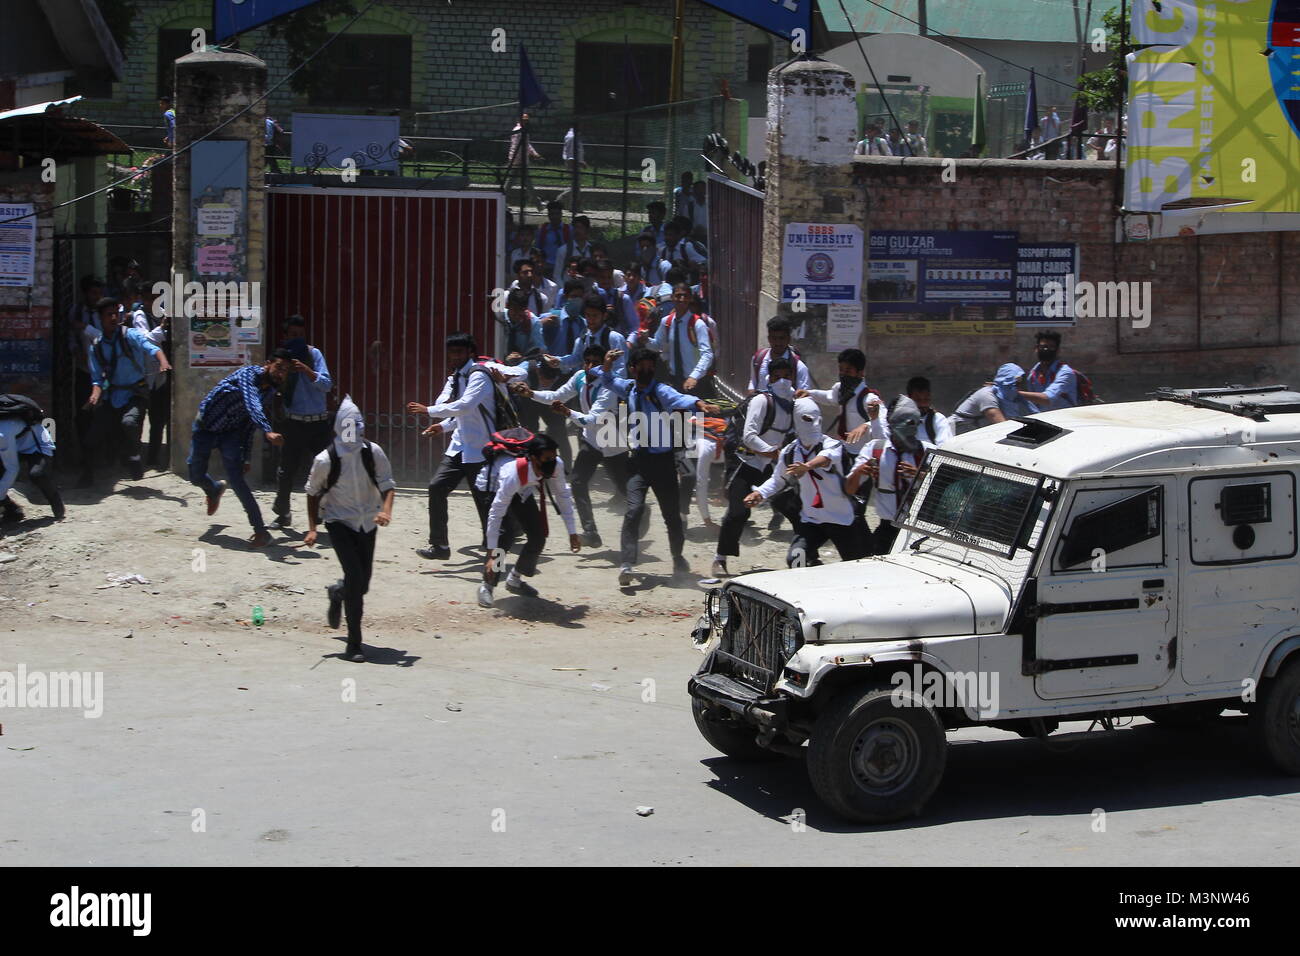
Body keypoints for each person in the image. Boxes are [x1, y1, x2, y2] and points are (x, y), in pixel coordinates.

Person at [599, 347, 719, 585]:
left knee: (672, 517)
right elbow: (608, 380)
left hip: (663, 463)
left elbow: (680, 399)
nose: (647, 369)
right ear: (633, 369)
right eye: (641, 365)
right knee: (633, 511)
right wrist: (606, 364)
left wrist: (699, 404)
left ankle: (677, 557)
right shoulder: (629, 388)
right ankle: (627, 564)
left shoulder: (661, 390)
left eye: (650, 365)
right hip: (639, 462)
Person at [408, 333, 526, 560]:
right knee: (436, 487)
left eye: (459, 352)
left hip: (483, 449)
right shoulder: (454, 378)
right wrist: (441, 426)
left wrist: (504, 376)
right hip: (460, 447)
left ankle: (501, 545)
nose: (454, 357)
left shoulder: (481, 372)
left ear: (470, 352)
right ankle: (440, 546)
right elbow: (453, 408)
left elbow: (465, 405)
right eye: (451, 352)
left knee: (485, 503)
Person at [304, 396, 397, 664]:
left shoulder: (373, 452)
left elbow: (388, 484)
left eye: (356, 425)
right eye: (347, 426)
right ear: (338, 427)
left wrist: (386, 510)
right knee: (356, 577)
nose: (352, 431)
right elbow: (311, 493)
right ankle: (354, 644)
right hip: (338, 522)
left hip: (368, 522)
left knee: (362, 584)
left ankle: (338, 592)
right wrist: (312, 528)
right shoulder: (325, 459)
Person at [516, 344, 628, 547]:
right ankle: (590, 532)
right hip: (591, 439)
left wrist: (568, 413)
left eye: (596, 361)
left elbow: (592, 419)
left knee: (625, 488)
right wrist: (531, 393)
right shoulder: (579, 377)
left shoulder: (609, 386)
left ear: (605, 363)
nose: (591, 365)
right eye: (588, 361)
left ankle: (640, 511)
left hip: (612, 440)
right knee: (577, 482)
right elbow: (555, 396)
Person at [711, 358, 805, 578]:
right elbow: (749, 436)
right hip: (747, 463)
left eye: (787, 376)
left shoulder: (793, 404)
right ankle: (720, 558)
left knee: (794, 510)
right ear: (769, 379)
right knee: (737, 512)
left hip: (773, 466)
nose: (782, 381)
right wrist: (772, 452)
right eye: (777, 376)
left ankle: (804, 557)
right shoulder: (762, 401)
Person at [744, 398, 865, 566]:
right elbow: (778, 479)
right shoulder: (790, 451)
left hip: (841, 518)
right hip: (812, 520)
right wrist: (759, 493)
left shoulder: (832, 444)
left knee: (855, 565)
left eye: (818, 419)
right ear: (797, 421)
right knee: (796, 560)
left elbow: (827, 458)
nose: (814, 424)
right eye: (807, 419)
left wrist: (807, 466)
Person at [188, 352, 289, 548]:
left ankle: (261, 531)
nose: (281, 374)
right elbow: (252, 405)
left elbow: (249, 424)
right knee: (195, 475)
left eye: (285, 371)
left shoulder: (269, 391)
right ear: (268, 364)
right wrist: (268, 431)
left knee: (238, 482)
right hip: (207, 427)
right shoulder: (248, 374)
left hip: (230, 433)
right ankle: (214, 489)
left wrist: (246, 457)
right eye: (279, 367)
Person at [477, 431, 581, 607]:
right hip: (493, 488)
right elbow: (497, 512)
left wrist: (572, 532)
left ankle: (515, 579)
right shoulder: (512, 474)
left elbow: (562, 496)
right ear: (533, 458)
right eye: (547, 458)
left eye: (554, 457)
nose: (552, 462)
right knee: (506, 536)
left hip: (523, 489)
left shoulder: (555, 465)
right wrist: (492, 552)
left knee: (537, 535)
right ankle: (487, 586)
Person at [84, 297, 172, 484]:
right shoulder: (97, 347)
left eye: (116, 313)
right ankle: (87, 475)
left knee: (129, 423)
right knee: (92, 436)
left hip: (135, 392)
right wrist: (94, 395)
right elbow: (97, 379)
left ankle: (135, 457)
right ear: (100, 318)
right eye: (109, 315)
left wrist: (163, 361)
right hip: (112, 395)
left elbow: (151, 347)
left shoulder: (130, 335)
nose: (114, 317)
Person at [847, 396, 933, 555]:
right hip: (888, 529)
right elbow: (849, 489)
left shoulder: (928, 452)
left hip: (918, 531)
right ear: (892, 425)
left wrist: (920, 476)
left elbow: (945, 486)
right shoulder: (875, 450)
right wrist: (860, 471)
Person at [271, 315, 334, 528]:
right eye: (293, 335)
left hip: (317, 423)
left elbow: (326, 384)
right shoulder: (282, 358)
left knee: (324, 470)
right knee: (286, 470)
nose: (297, 338)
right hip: (294, 422)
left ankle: (319, 513)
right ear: (286, 336)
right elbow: (272, 384)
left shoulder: (313, 354)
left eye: (300, 335)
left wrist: (307, 370)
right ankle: (283, 514)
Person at [800, 347, 882, 455]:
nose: (843, 374)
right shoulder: (841, 389)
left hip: (862, 454)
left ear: (860, 373)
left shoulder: (870, 399)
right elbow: (829, 397)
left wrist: (866, 425)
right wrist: (810, 393)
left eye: (848, 371)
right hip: (844, 450)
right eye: (841, 370)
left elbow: (882, 423)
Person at [0, 399, 63, 523]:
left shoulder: (2, 433)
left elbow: (12, 468)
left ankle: (55, 500)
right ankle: (12, 510)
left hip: (36, 444)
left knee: (37, 474)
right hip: (14, 445)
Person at [647, 282, 714, 396]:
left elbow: (707, 354)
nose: (681, 299)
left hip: (694, 382)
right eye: (678, 296)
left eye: (685, 296)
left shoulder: (697, 324)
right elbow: (657, 345)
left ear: (690, 299)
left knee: (694, 413)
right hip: (674, 380)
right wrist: (645, 340)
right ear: (672, 298)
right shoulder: (666, 322)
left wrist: (694, 376)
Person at [549, 292, 629, 378]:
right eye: (588, 315)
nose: (591, 319)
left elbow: (620, 371)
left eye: (595, 315)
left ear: (604, 316)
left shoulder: (614, 338)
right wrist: (559, 361)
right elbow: (577, 358)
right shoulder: (583, 337)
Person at [951, 363, 1031, 433]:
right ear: (1004, 382)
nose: (1018, 388)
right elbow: (1002, 426)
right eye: (1015, 384)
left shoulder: (1010, 398)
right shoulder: (987, 396)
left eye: (1020, 384)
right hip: (958, 429)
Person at [883, 376, 954, 446]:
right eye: (918, 400)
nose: (922, 404)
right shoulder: (899, 420)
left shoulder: (937, 419)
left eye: (926, 399)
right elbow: (885, 440)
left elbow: (944, 447)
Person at [748, 316, 811, 394]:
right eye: (774, 338)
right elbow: (753, 382)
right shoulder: (758, 359)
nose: (778, 343)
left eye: (782, 338)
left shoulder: (799, 367)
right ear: (769, 338)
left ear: (788, 339)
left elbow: (804, 395)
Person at [1019, 330, 1078, 410]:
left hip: (1064, 420)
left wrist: (1015, 393)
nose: (1046, 350)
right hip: (1044, 419)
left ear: (1058, 351)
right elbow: (1034, 405)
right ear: (1036, 348)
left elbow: (1048, 398)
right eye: (1043, 347)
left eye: (1051, 347)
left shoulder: (1065, 372)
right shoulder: (1033, 374)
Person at [536, 202, 572, 273]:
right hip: (546, 265)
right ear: (548, 215)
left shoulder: (569, 229)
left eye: (557, 214)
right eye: (552, 214)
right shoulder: (543, 230)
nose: (555, 217)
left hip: (563, 265)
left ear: (561, 214)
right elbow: (538, 248)